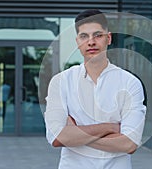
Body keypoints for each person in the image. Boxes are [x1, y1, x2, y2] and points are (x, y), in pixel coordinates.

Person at [44, 9, 146, 169]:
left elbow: (130, 144)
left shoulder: (130, 83)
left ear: (108, 38)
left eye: (98, 35)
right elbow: (58, 139)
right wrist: (110, 128)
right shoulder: (61, 82)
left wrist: (76, 134)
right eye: (84, 36)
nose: (91, 42)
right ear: (77, 42)